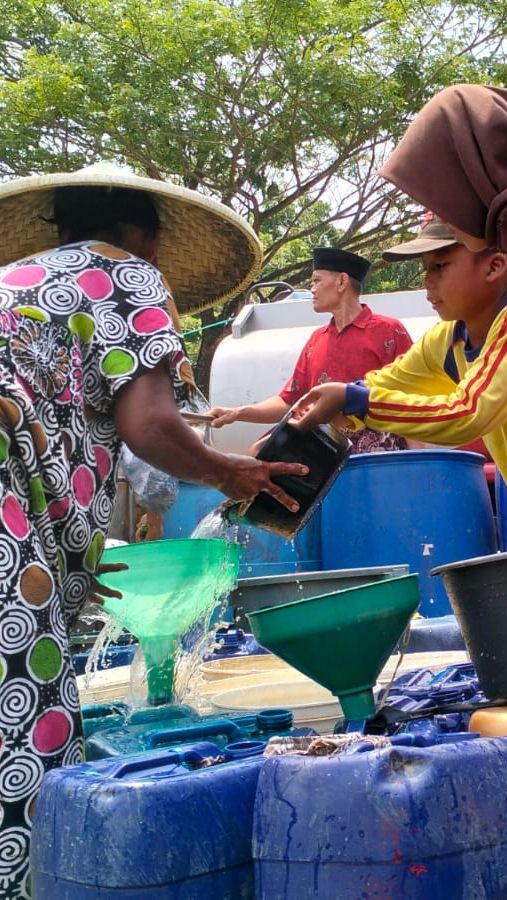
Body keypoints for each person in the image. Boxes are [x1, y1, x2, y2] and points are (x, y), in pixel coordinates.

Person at [0, 163, 308, 898]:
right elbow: (150, 425)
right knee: (26, 703)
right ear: (151, 235)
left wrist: (78, 552)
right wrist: (231, 475)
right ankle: (33, 878)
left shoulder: (22, 282)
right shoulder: (127, 273)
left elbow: (43, 440)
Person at [289, 221, 507, 481]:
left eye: (439, 266)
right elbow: (390, 382)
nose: (427, 281)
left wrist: (354, 400)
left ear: (494, 267)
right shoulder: (446, 338)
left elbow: (467, 412)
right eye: (425, 268)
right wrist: (300, 425)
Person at [210, 247, 413, 453]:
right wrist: (236, 413)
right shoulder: (317, 339)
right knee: (258, 453)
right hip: (321, 444)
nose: (312, 289)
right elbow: (288, 401)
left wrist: (421, 461)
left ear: (342, 282)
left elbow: (412, 396)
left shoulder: (389, 330)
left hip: (373, 448)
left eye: (317, 281)